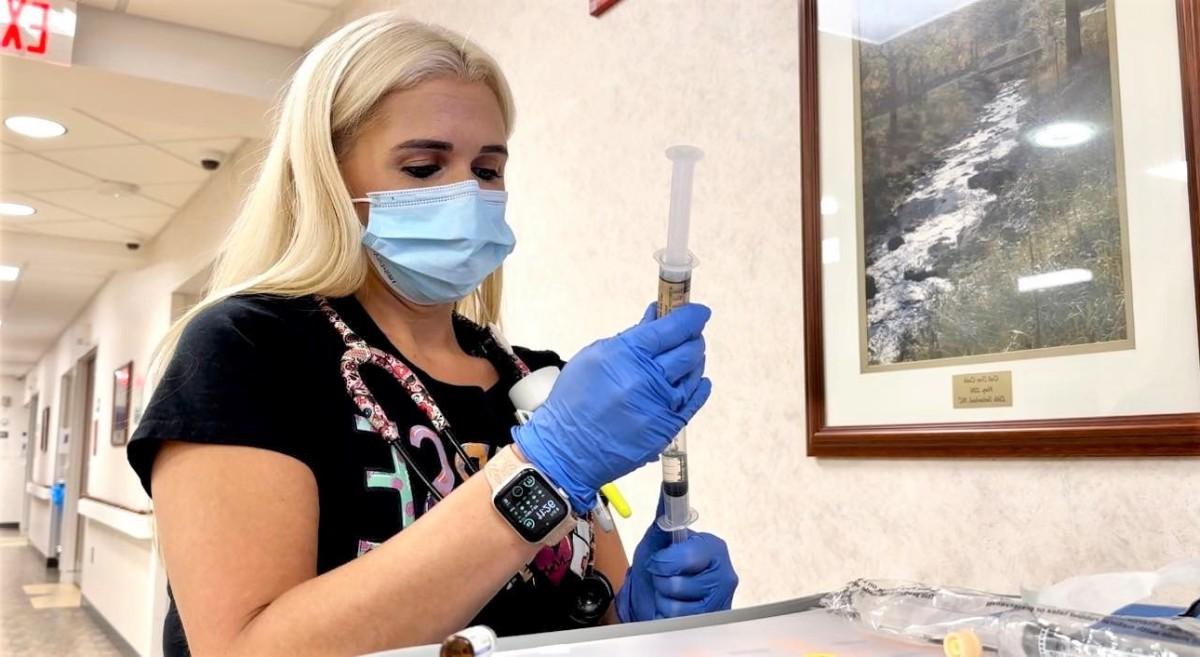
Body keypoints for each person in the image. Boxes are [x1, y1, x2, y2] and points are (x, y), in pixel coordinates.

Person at [127, 12, 737, 657]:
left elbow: (579, 601)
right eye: (423, 167)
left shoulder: (535, 381)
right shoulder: (249, 351)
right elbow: (245, 650)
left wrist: (634, 616)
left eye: (487, 168)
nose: (467, 195)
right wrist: (547, 471)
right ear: (328, 180)